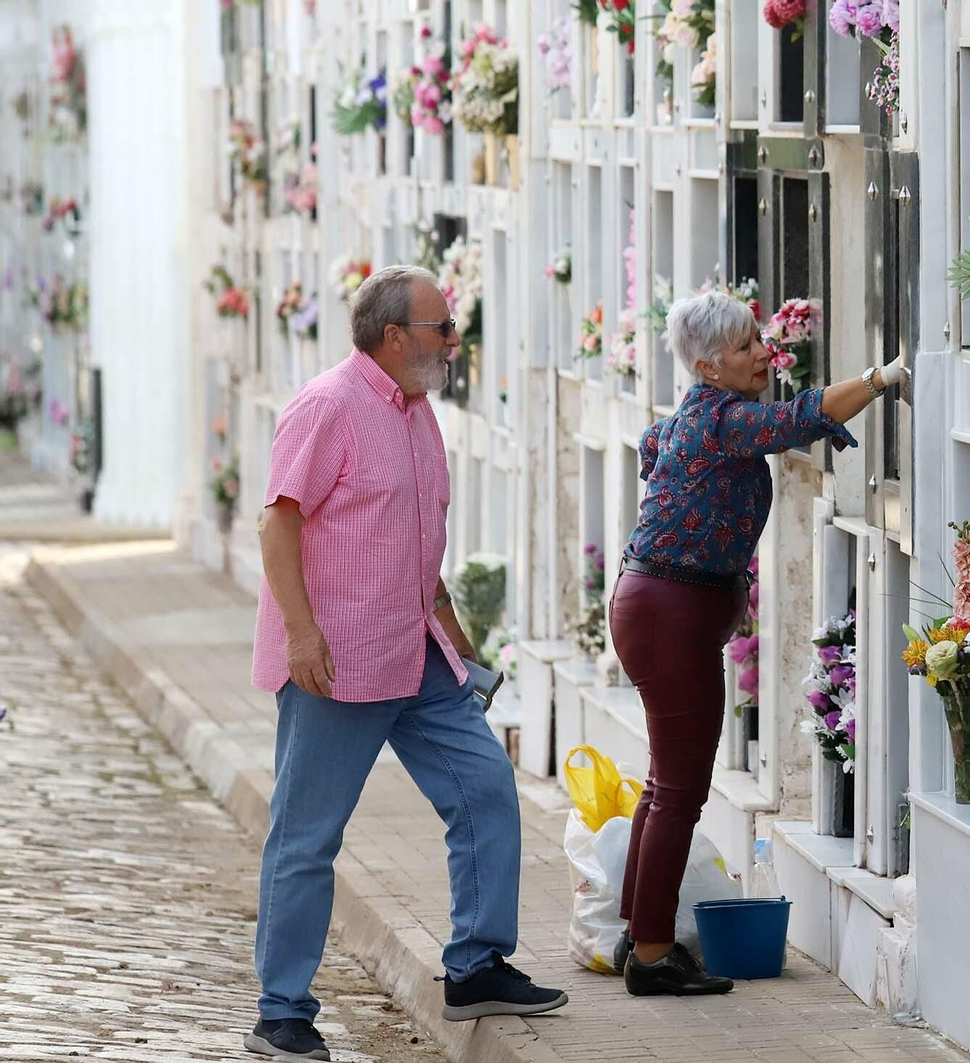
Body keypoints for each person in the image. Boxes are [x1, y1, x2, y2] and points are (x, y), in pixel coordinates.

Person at [244, 266, 567, 1061]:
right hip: (336, 659)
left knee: (488, 790)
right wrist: (301, 634)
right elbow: (275, 524)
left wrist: (456, 635)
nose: (454, 342)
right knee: (308, 837)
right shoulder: (328, 406)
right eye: (442, 329)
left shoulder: (420, 413)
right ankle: (281, 1011)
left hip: (417, 652)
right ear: (395, 337)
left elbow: (417, 538)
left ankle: (477, 965)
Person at [609, 291, 906, 996]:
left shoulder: (686, 421)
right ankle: (652, 954)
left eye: (756, 339)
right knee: (680, 791)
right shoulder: (722, 420)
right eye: (745, 346)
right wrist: (883, 377)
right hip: (672, 615)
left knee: (663, 784)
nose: (760, 353)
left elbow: (656, 453)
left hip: (656, 606)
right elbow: (801, 417)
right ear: (709, 364)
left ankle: (636, 930)